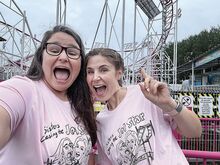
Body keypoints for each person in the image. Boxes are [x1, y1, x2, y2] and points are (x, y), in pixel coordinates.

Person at [85, 48, 202, 165]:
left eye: (103, 70)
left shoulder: (144, 93)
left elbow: (195, 131)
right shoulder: (100, 122)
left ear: (118, 73)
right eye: (90, 72)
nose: (95, 77)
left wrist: (169, 103)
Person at [0, 25, 97, 165]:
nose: (63, 57)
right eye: (54, 50)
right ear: (41, 57)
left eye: (73, 52)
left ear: (81, 63)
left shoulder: (80, 104)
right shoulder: (26, 90)